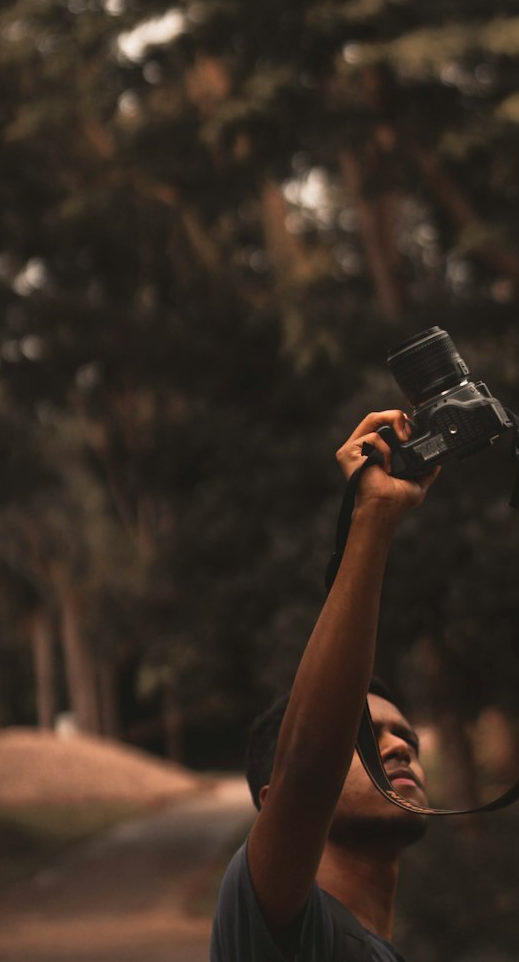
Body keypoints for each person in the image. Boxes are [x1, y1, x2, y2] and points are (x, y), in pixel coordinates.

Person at [211, 410, 440, 962]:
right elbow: (310, 763)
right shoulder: (274, 928)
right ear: (273, 807)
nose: (400, 745)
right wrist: (375, 515)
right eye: (366, 738)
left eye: (403, 733)